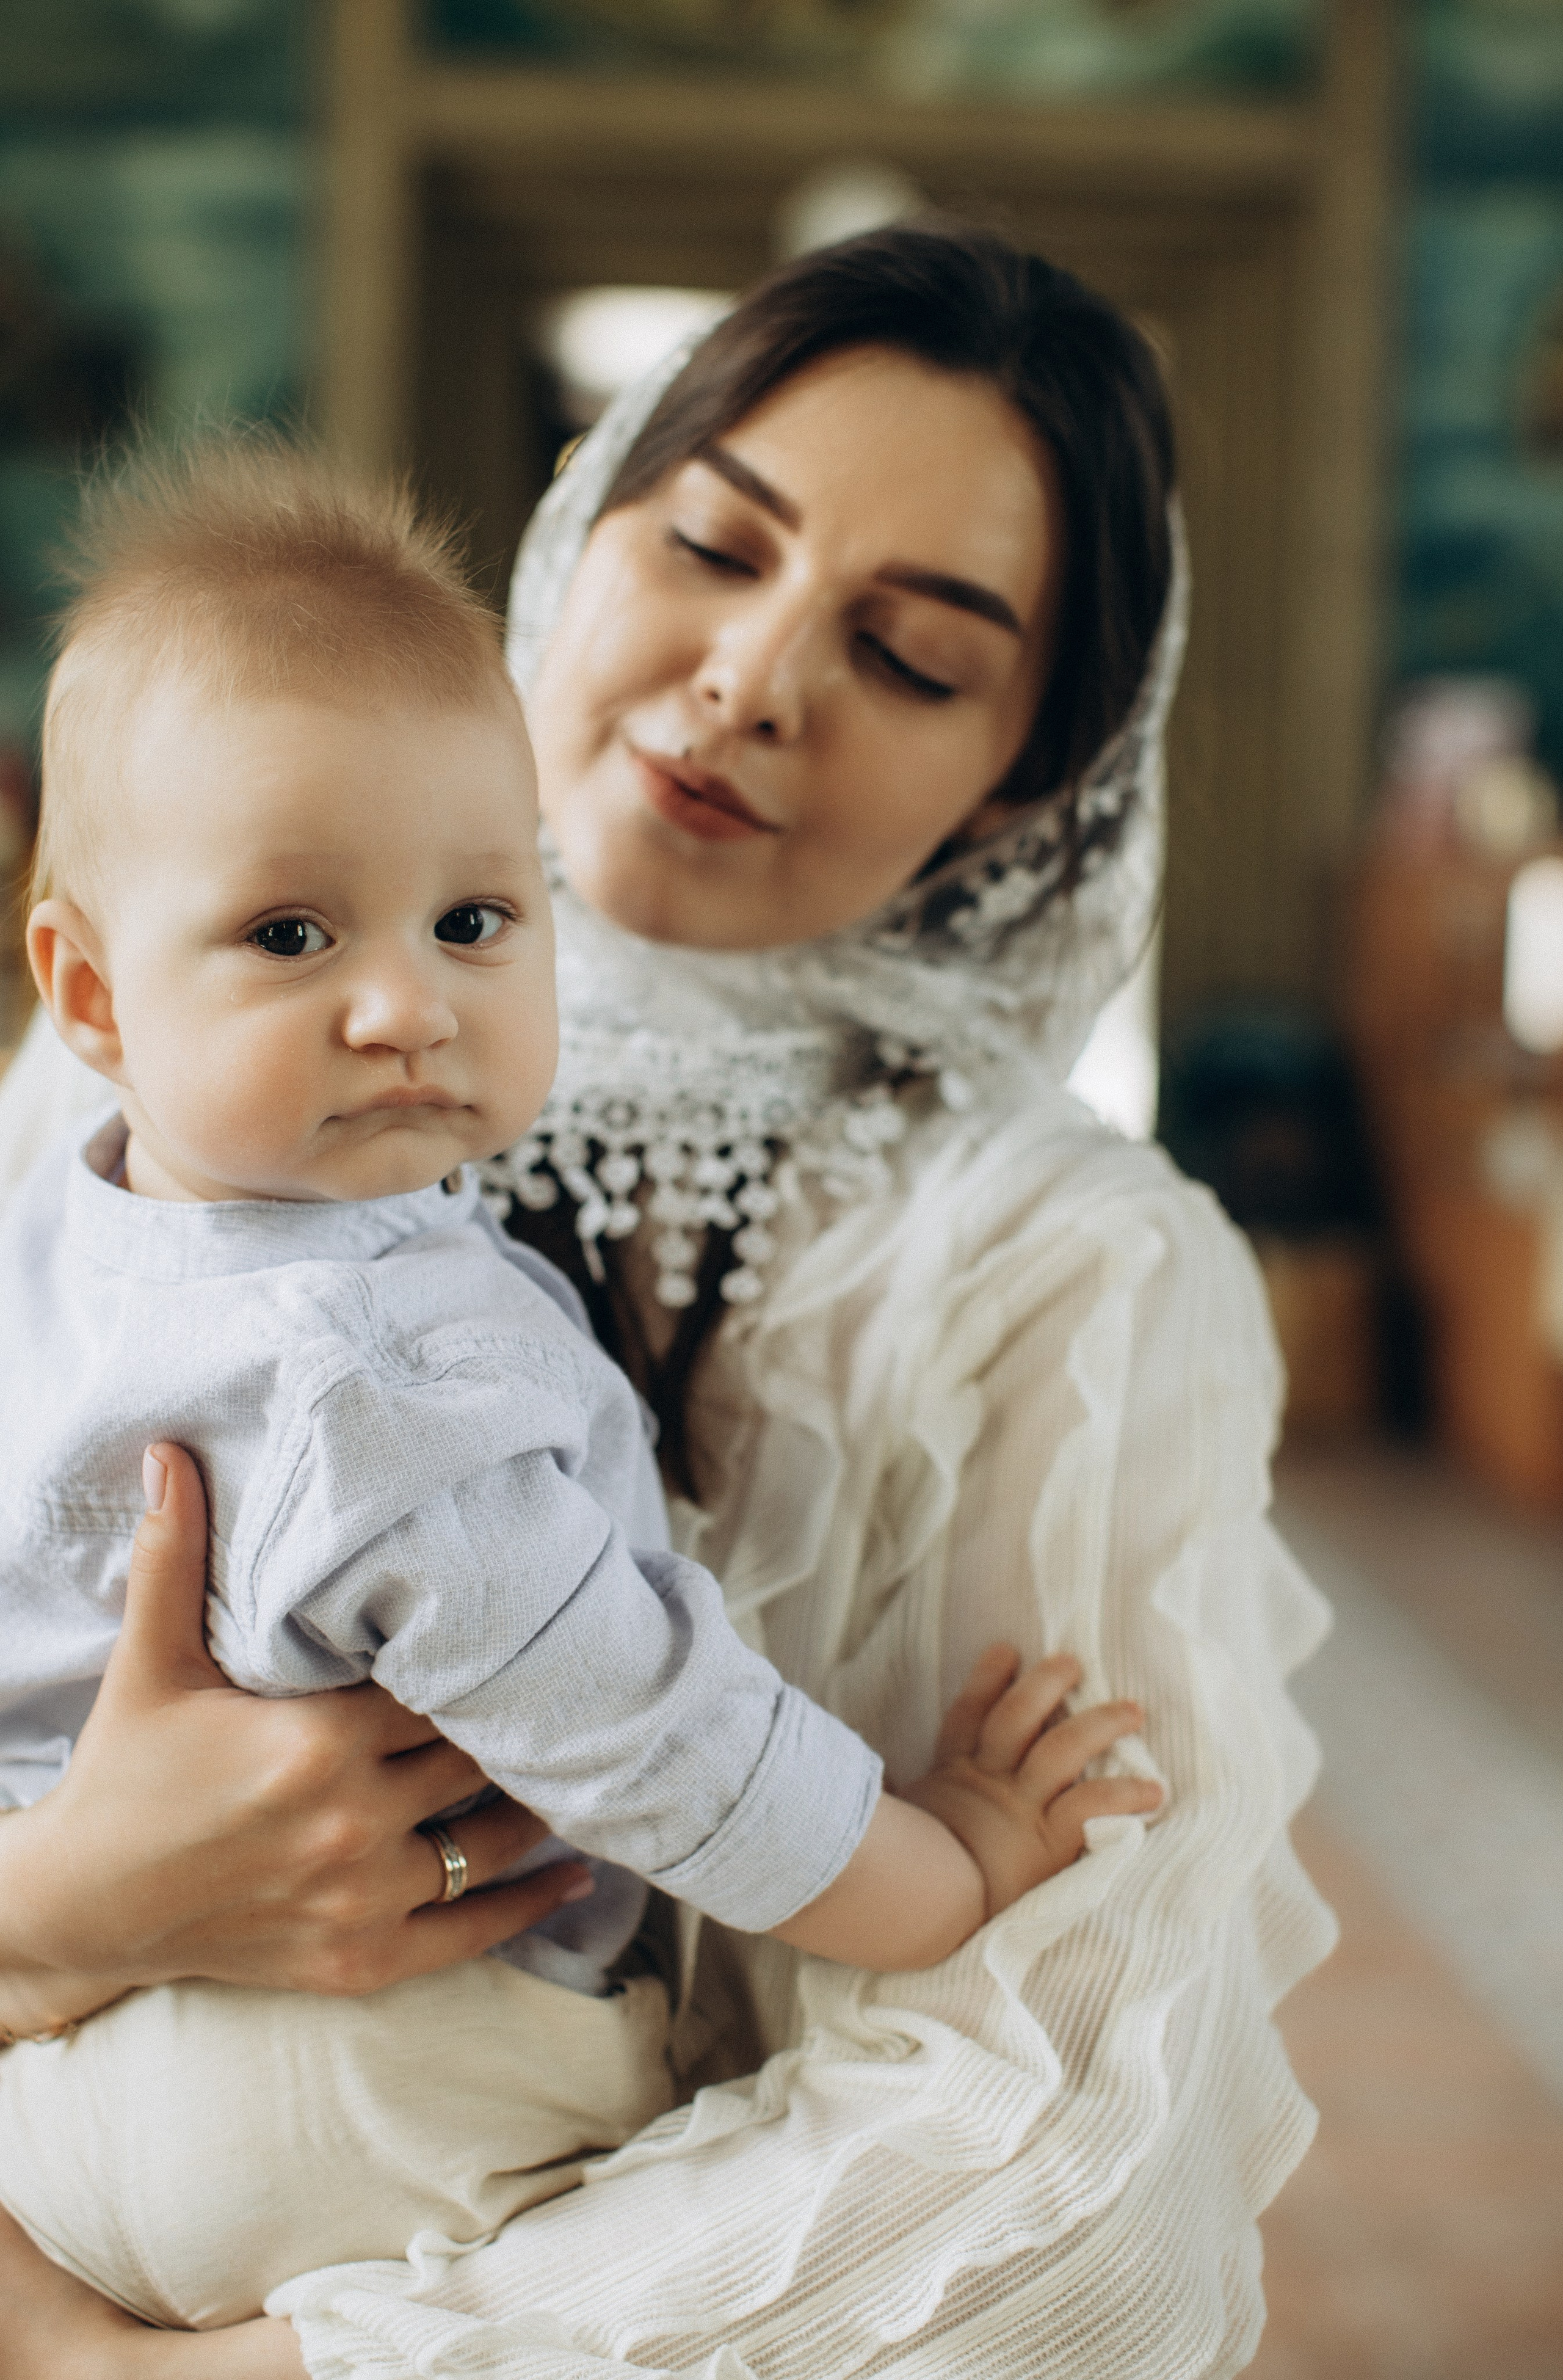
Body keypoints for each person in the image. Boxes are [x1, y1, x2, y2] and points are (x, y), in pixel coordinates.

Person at [0, 225, 1334, 2379]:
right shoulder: (125, 1077)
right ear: (581, 527)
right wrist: (61, 1905)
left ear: (1025, 783)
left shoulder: (1075, 1274)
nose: (750, 679)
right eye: (714, 544)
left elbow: (1058, 2150)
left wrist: (157, 2374)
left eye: (910, 655)